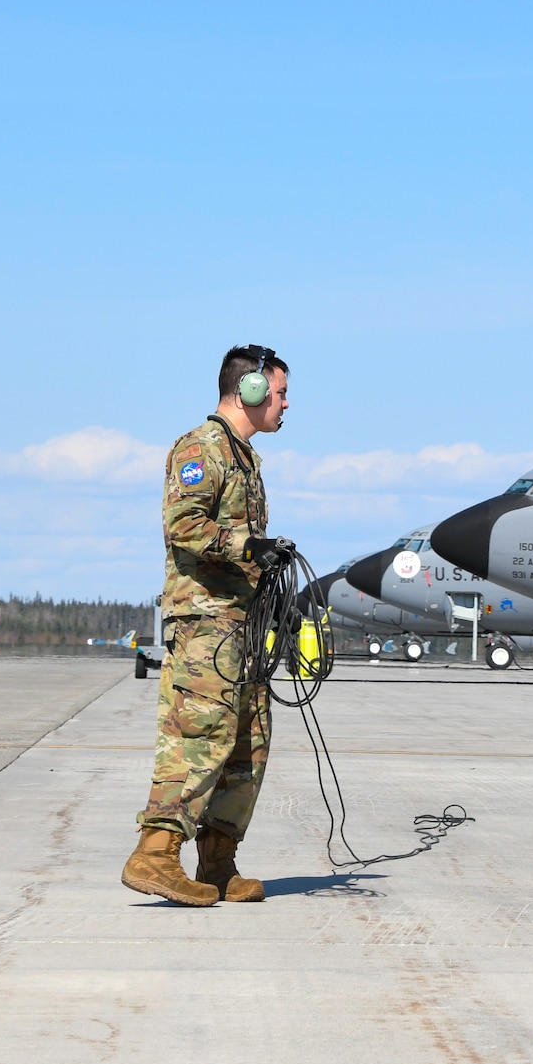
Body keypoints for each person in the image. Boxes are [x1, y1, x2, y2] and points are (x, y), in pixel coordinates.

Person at [122, 345, 295, 906]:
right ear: (250, 391)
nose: (286, 404)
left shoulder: (244, 457)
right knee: (199, 737)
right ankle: (155, 855)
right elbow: (185, 526)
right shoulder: (202, 449)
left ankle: (217, 861)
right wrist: (248, 544)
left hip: (241, 628)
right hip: (206, 625)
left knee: (249, 743)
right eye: (281, 392)